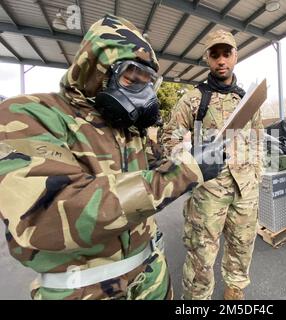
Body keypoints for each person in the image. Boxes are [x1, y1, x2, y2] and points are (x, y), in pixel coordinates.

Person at [0, 15, 224, 300]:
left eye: (148, 82)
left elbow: (159, 166)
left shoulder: (130, 131)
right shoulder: (28, 115)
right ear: (95, 69)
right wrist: (187, 171)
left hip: (151, 277)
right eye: (132, 77)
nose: (142, 93)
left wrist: (191, 155)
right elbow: (50, 215)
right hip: (83, 290)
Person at [162, 29, 264, 300]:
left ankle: (235, 287)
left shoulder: (247, 98)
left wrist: (257, 175)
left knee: (242, 244)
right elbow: (167, 139)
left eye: (226, 54)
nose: (221, 60)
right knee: (201, 252)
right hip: (209, 190)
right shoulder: (193, 98)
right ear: (207, 58)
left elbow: (257, 139)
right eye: (215, 54)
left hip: (245, 189)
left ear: (235, 56)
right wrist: (189, 158)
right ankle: (197, 299)